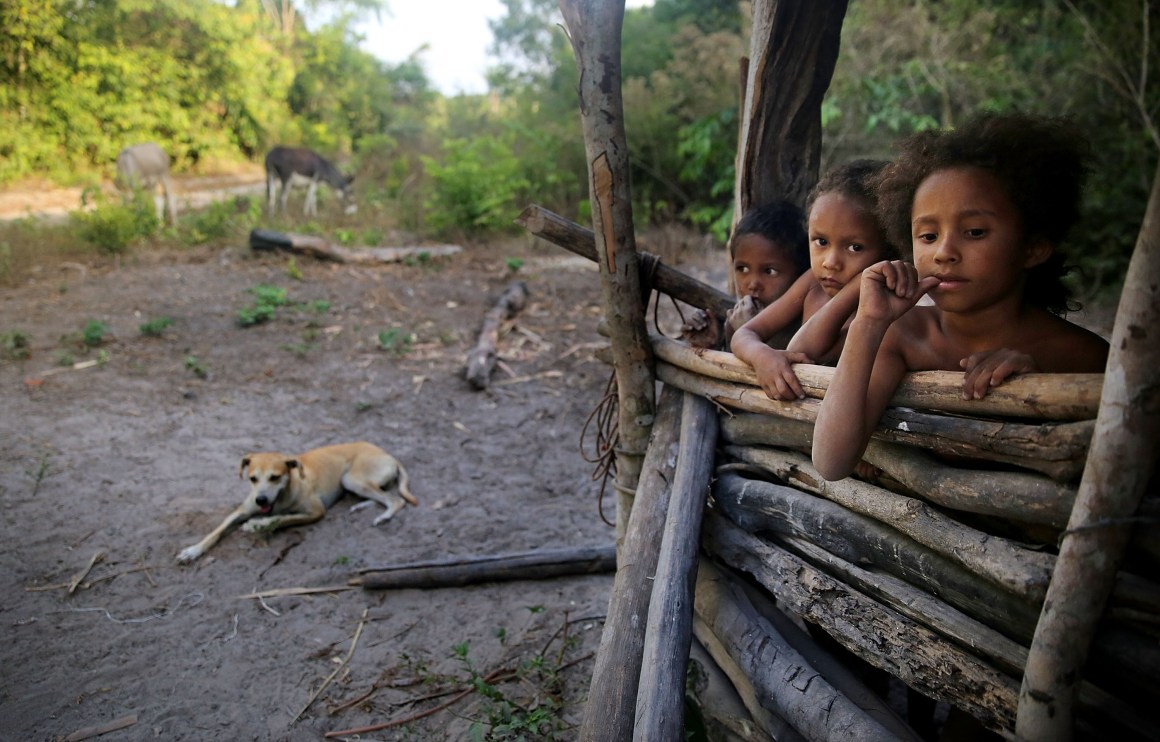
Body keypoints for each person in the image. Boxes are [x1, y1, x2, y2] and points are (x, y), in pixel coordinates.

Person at [812, 113, 1110, 482]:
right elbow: (831, 461)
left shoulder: (1085, 358)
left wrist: (1033, 390)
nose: (945, 253)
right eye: (928, 236)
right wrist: (868, 324)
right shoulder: (905, 336)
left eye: (974, 232)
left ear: (1033, 247)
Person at [730, 159, 895, 400]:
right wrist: (761, 356)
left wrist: (858, 286)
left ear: (891, 250)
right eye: (821, 242)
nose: (830, 262)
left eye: (854, 247)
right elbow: (744, 334)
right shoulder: (812, 283)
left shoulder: (886, 307)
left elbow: (812, 351)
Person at [680, 200, 808, 350]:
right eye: (743, 269)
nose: (753, 284)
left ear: (801, 275)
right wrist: (713, 344)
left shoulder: (806, 329)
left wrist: (748, 334)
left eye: (769, 271)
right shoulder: (733, 322)